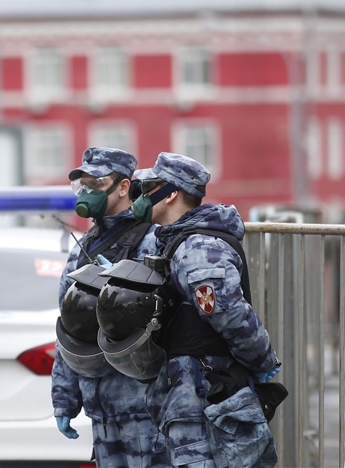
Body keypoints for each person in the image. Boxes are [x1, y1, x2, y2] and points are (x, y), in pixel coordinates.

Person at [135, 153, 281, 467]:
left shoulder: (198, 248)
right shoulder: (174, 242)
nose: (142, 196)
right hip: (186, 392)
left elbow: (229, 314)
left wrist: (263, 362)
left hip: (205, 394)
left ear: (171, 193)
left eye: (149, 188)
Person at [51, 147, 168, 467]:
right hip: (101, 407)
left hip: (145, 404)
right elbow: (70, 325)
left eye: (96, 184)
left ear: (123, 187)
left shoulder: (153, 236)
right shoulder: (85, 245)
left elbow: (169, 314)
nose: (88, 192)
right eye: (83, 185)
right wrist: (65, 398)